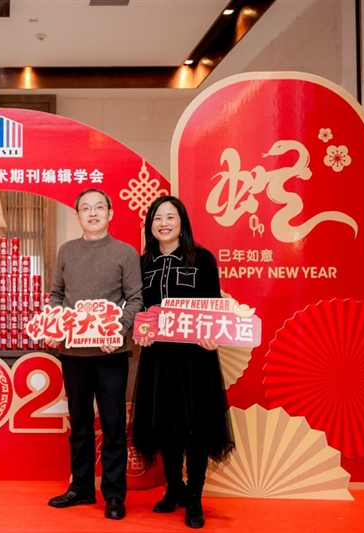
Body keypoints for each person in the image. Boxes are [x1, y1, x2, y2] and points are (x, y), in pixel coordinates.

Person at [132, 195, 235, 529]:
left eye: (170, 217)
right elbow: (139, 309)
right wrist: (141, 332)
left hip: (195, 358)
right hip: (158, 356)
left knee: (196, 427)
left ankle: (194, 497)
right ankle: (174, 488)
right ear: (150, 226)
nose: (163, 223)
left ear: (182, 223)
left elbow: (214, 305)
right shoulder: (142, 263)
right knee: (165, 426)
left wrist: (212, 334)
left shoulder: (201, 259)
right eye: (157, 218)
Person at [46, 189, 143, 520]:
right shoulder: (67, 251)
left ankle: (114, 494)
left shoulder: (125, 252)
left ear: (110, 213)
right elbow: (56, 295)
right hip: (73, 352)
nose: (92, 213)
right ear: (77, 216)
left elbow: (135, 298)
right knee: (80, 423)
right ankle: (81, 487)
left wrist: (118, 330)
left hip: (110, 352)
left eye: (99, 207)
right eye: (85, 208)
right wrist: (55, 324)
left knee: (114, 425)